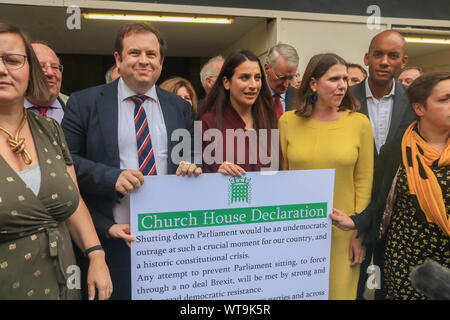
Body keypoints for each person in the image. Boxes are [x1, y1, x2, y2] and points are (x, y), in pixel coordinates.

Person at [61, 22, 200, 300]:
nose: (144, 60)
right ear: (118, 59)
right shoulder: (84, 103)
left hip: (169, 241)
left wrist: (191, 166)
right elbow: (65, 164)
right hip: (111, 240)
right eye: (134, 52)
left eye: (151, 54)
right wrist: (111, 177)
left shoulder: (180, 108)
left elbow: (191, 156)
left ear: (161, 61)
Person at [0, 21, 112, 300]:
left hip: (63, 278)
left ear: (30, 71)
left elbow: (73, 202)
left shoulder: (50, 130)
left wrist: (96, 254)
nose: (2, 69)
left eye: (13, 60)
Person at [330, 72, 449, 300]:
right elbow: (380, 202)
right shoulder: (396, 151)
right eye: (444, 99)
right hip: (407, 264)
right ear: (419, 108)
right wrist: (355, 221)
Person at [279, 53, 374, 300]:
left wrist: (358, 232)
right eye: (334, 79)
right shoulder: (287, 122)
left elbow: (364, 181)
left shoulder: (359, 123)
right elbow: (281, 175)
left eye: (345, 78)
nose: (343, 85)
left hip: (344, 235)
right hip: (297, 231)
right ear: (313, 84)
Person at [351, 30, 416, 299]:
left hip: (395, 213)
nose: (384, 61)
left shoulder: (414, 101)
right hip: (352, 210)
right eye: (378, 54)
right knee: (352, 284)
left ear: (403, 62)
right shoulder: (344, 96)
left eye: (393, 56)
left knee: (386, 288)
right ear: (367, 58)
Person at [197, 49, 278, 175]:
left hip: (266, 193)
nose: (253, 85)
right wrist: (216, 175)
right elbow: (199, 176)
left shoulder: (269, 119)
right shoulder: (208, 123)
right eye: (244, 77)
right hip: (225, 193)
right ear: (226, 83)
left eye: (257, 78)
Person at [25, 42, 66, 124]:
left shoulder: (78, 108)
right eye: (40, 67)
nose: (50, 73)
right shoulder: (5, 108)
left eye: (54, 67)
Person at [264, 43, 299, 118]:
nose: (286, 85)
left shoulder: (299, 97)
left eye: (291, 78)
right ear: (267, 68)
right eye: (281, 77)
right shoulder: (253, 95)